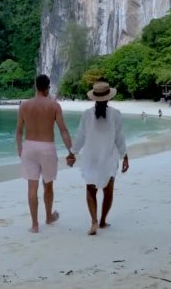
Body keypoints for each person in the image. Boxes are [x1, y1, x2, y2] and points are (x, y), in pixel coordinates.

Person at [66, 81, 129, 235]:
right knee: (108, 191)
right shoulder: (115, 114)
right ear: (108, 98)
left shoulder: (87, 114)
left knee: (90, 189)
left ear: (94, 98)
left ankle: (93, 221)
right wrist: (125, 156)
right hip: (108, 157)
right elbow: (119, 138)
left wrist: (72, 152)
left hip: (90, 157)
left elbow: (80, 136)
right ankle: (102, 221)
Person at [16, 74, 74, 233]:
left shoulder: (24, 105)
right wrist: (71, 151)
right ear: (48, 88)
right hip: (47, 148)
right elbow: (63, 130)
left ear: (35, 86)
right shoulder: (54, 106)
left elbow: (19, 131)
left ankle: (34, 225)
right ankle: (48, 216)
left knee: (31, 187)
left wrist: (20, 148)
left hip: (29, 147)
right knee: (48, 185)